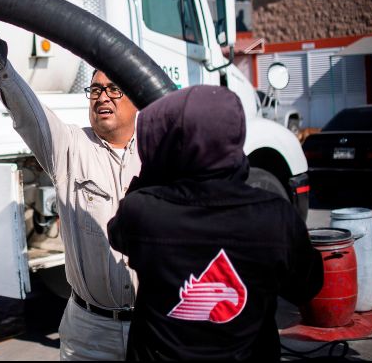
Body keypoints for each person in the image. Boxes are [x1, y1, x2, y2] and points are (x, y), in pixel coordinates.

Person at [0, 3, 139, 360]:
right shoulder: (70, 147)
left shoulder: (159, 151)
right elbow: (28, 113)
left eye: (113, 89)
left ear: (136, 99)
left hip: (152, 325)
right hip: (90, 331)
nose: (102, 97)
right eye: (95, 90)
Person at [108, 85, 323, 361]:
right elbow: (307, 286)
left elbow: (117, 234)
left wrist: (154, 169)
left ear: (171, 143)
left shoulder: (143, 211)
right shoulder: (276, 216)